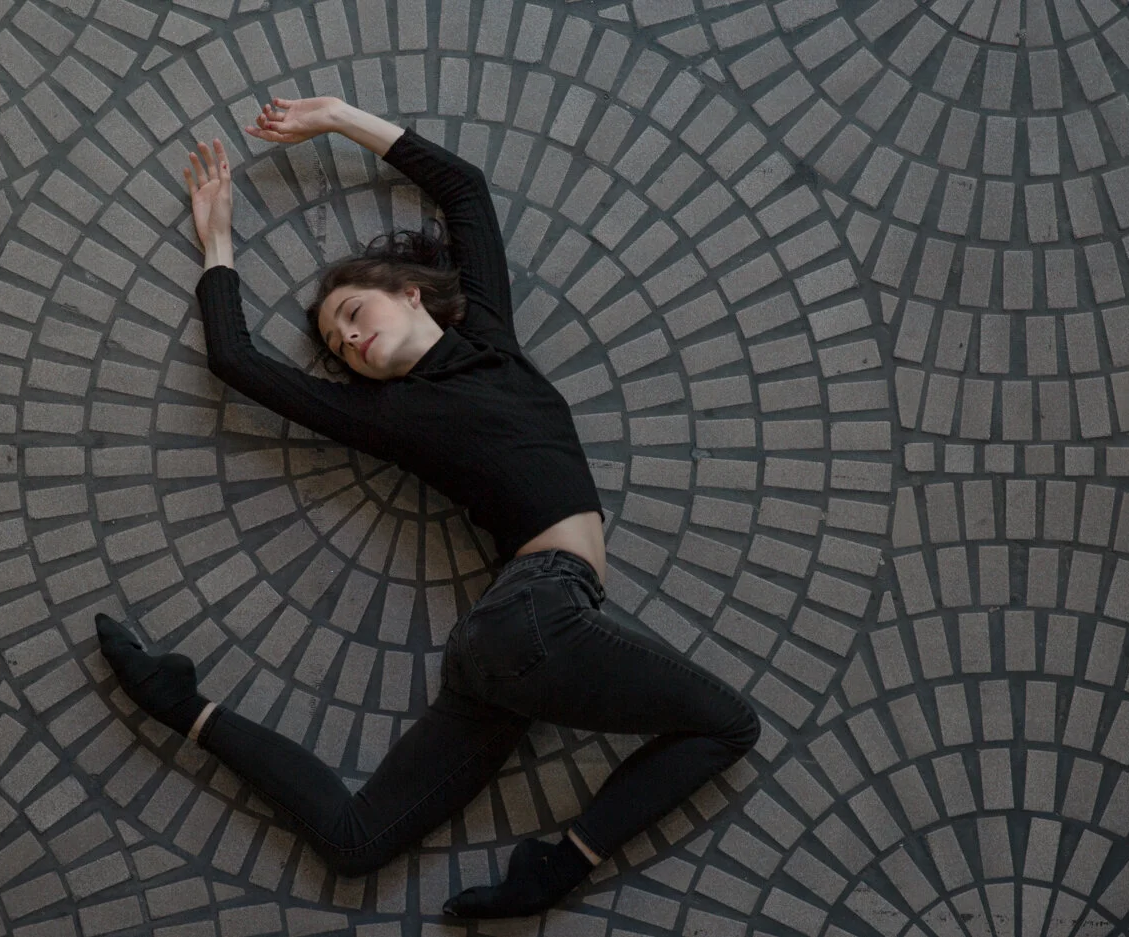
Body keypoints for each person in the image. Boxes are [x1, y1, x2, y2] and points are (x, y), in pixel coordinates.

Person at [96, 96, 761, 919]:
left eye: (353, 314)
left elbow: (465, 190)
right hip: (536, 613)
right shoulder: (384, 414)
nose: (349, 341)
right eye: (337, 347)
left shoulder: (490, 339)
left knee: (356, 841)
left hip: (514, 639)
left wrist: (337, 116)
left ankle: (177, 702)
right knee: (728, 724)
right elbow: (237, 359)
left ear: (410, 292)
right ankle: (556, 869)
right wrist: (218, 243)